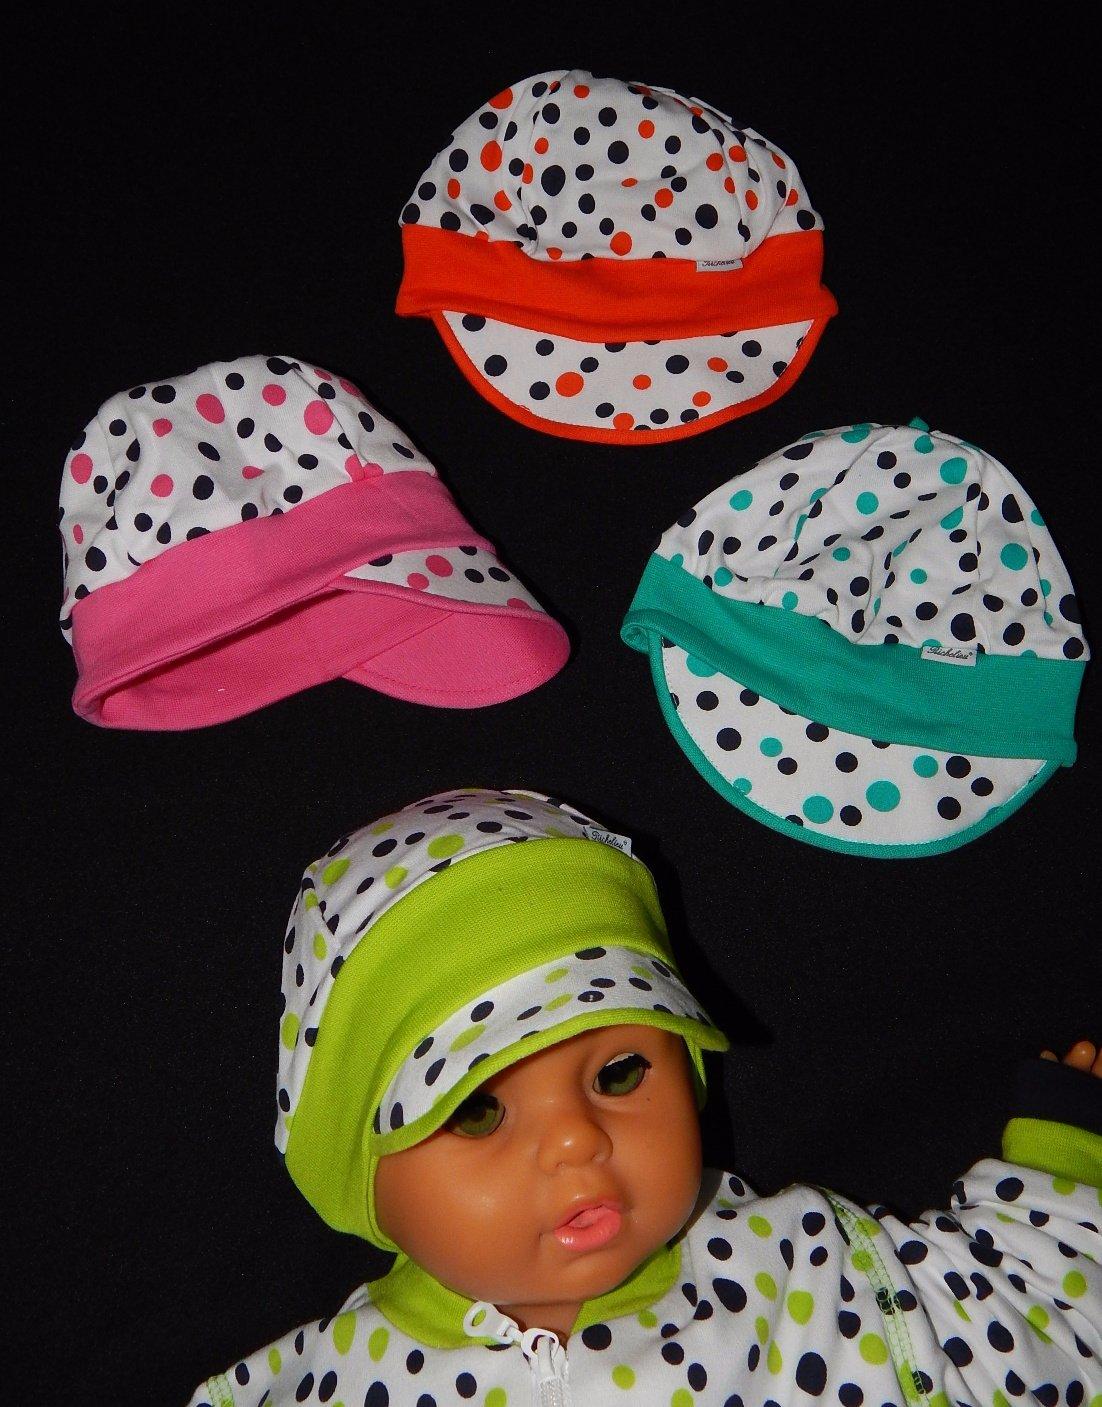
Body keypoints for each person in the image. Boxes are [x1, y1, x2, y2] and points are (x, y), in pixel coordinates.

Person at [189, 788, 1101, 1406]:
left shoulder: (802, 1271)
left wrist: (1064, 1167)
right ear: (358, 1173)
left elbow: (1027, 1334)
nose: (577, 1140)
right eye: (477, 1110)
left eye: (619, 1073)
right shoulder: (326, 1383)